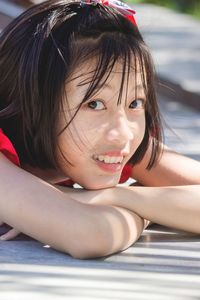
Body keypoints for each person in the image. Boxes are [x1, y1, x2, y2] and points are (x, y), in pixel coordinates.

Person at [0, 0, 200, 259]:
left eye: (135, 103)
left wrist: (119, 197)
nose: (124, 133)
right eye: (94, 104)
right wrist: (155, 208)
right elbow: (93, 234)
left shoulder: (114, 141)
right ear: (33, 102)